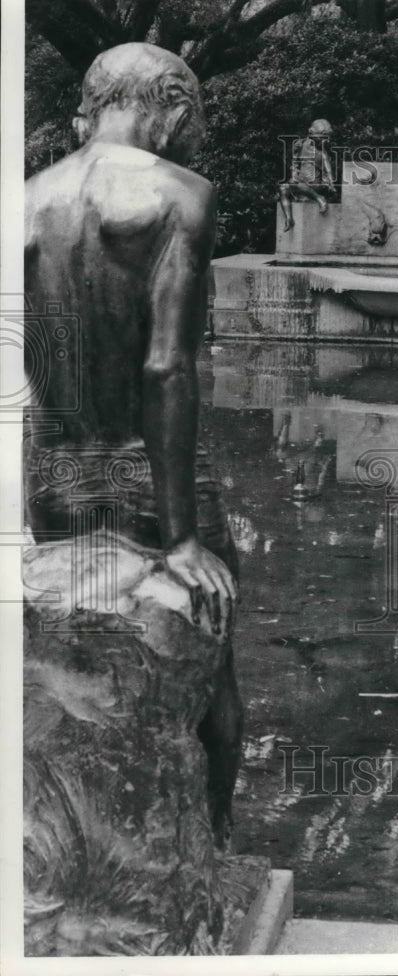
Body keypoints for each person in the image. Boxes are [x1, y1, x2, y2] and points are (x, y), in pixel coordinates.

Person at [24, 42, 242, 847]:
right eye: (195, 123)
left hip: (57, 476)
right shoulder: (178, 195)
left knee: (73, 672)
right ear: (175, 108)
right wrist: (181, 537)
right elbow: (165, 366)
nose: (194, 140)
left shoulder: (23, 200)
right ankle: (209, 849)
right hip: (152, 483)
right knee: (212, 674)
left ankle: (79, 844)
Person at [278, 118, 337, 231]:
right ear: (311, 132)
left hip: (317, 184)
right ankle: (289, 218)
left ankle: (319, 198)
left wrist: (331, 185)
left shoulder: (322, 153)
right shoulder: (300, 145)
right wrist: (294, 174)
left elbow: (329, 171)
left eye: (325, 138)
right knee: (283, 188)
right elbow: (295, 163)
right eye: (321, 137)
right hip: (301, 183)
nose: (323, 141)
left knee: (292, 183)